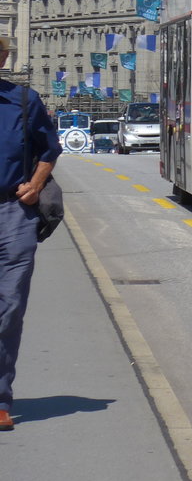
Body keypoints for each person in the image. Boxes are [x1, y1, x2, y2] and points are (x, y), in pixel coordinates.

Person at [0, 36, 62, 431]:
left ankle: (0, 399)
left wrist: (37, 185)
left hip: (12, 212)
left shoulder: (24, 101)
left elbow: (49, 149)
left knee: (9, 307)